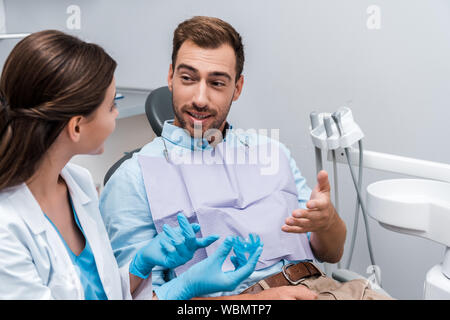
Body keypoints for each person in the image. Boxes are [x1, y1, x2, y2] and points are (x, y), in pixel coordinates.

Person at [100, 16, 375, 300]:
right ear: (170, 77)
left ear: (238, 88)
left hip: (329, 289)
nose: (200, 98)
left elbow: (331, 252)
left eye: (217, 83)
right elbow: (134, 296)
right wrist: (256, 301)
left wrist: (327, 221)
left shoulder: (271, 153)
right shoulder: (134, 178)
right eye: (187, 78)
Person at [0, 30, 263, 300]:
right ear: (76, 127)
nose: (116, 113)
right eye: (111, 105)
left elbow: (103, 293)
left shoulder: (76, 184)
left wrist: (140, 266)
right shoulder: (6, 230)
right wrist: (182, 290)